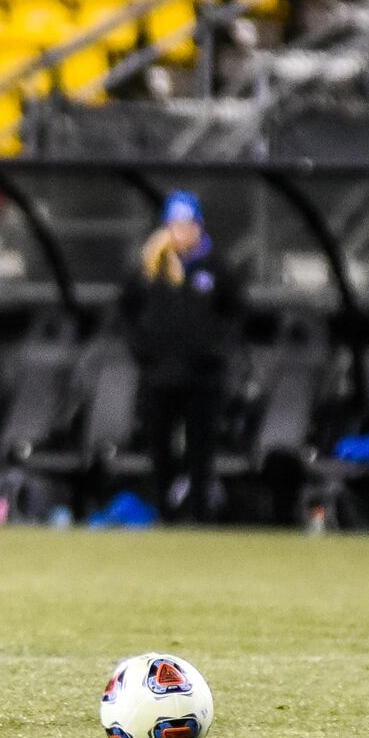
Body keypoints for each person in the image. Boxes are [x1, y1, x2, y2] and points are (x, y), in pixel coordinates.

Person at [120, 191, 243, 524]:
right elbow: (125, 311)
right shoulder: (150, 267)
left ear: (199, 226)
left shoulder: (217, 267)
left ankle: (200, 517)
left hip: (203, 377)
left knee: (201, 451)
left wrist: (216, 351)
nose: (181, 232)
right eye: (175, 225)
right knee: (160, 448)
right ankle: (164, 514)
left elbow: (235, 314)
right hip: (159, 375)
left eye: (187, 225)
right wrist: (142, 350)